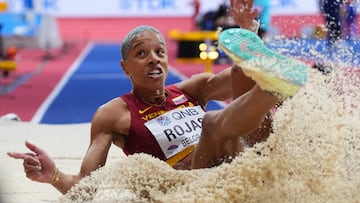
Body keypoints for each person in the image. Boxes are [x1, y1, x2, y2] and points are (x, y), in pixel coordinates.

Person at [7, 0, 308, 195]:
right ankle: (269, 90)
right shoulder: (115, 114)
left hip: (246, 167)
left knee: (244, 91)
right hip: (195, 187)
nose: (154, 59)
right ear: (125, 67)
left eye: (160, 52)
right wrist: (55, 175)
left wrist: (246, 31)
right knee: (214, 123)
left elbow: (235, 83)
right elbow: (87, 187)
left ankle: (265, 75)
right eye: (141, 54)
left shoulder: (193, 89)